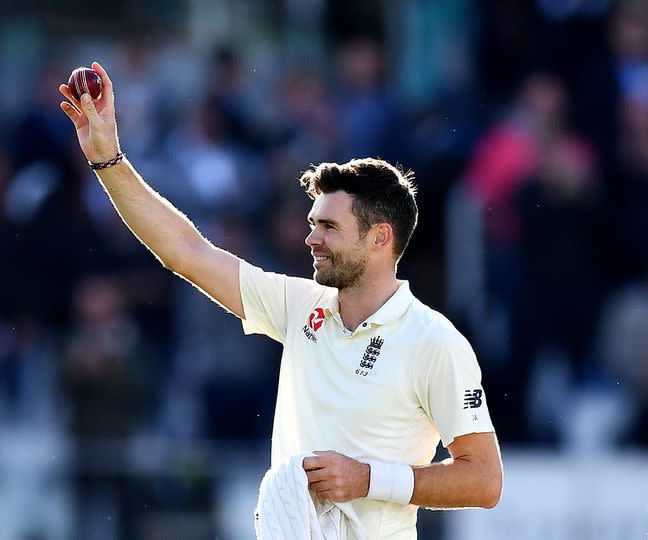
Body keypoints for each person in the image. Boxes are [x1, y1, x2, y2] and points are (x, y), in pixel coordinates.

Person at [59, 62, 502, 539]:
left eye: (329, 227)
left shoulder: (434, 341)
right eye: (313, 223)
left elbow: (483, 479)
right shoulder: (299, 306)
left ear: (379, 238)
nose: (311, 238)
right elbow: (185, 252)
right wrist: (108, 159)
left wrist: (369, 479)